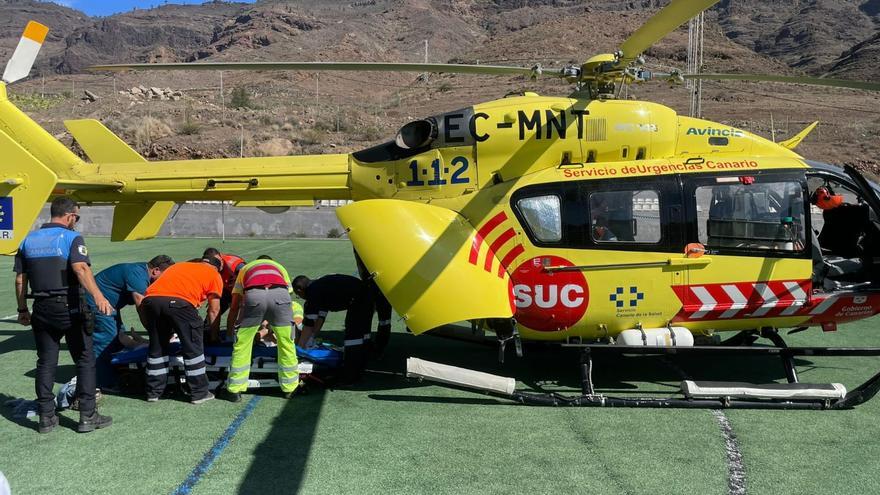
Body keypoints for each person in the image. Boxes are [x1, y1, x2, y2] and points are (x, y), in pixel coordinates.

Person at [14, 196, 113, 433]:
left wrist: (22, 309)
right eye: (76, 217)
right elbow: (80, 268)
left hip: (41, 308)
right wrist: (99, 297)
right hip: (70, 306)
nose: (75, 222)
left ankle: (46, 417)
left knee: (46, 362)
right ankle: (87, 416)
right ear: (69, 216)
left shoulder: (28, 240)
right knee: (85, 360)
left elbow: (20, 280)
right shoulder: (71, 238)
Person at [140, 256, 223, 404]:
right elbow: (214, 310)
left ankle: (153, 392)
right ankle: (199, 393)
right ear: (217, 268)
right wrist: (214, 336)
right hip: (180, 303)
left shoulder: (179, 266)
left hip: (150, 300)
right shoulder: (214, 274)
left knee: (157, 347)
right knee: (192, 348)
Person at [87, 255, 175, 391]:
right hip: (98, 305)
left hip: (110, 306)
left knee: (118, 340)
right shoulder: (137, 274)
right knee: (107, 341)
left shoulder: (141, 271)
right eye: (165, 276)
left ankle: (114, 375)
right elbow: (142, 307)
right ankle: (103, 382)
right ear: (156, 270)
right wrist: (155, 334)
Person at [223, 255, 299, 401]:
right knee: (286, 343)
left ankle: (234, 390)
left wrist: (229, 332)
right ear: (271, 261)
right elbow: (286, 293)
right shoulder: (279, 267)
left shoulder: (245, 268)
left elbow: (235, 305)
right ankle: (290, 388)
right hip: (280, 296)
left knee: (242, 345)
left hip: (253, 296)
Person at [293, 274, 374, 384]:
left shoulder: (312, 292)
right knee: (362, 335)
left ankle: (349, 376)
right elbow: (320, 318)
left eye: (298, 295)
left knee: (353, 338)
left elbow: (309, 324)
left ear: (299, 290)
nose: (300, 298)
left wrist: (300, 349)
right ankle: (360, 367)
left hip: (359, 300)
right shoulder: (320, 286)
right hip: (366, 297)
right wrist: (312, 337)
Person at [354, 250, 392, 356]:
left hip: (374, 284)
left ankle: (371, 346)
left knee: (371, 317)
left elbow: (362, 268)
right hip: (380, 284)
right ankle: (377, 347)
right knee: (382, 319)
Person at [202, 248, 246, 315]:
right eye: (214, 261)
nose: (219, 263)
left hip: (240, 289)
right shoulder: (207, 266)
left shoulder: (233, 264)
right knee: (212, 312)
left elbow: (248, 276)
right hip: (224, 289)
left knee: (240, 311)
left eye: (219, 260)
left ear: (221, 257)